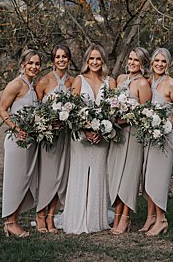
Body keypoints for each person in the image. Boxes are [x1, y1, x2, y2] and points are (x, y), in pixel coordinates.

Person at [64, 44, 116, 234]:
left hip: (102, 138)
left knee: (98, 175)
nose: (94, 62)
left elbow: (113, 111)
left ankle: (95, 219)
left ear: (103, 60)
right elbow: (71, 110)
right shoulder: (78, 80)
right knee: (79, 174)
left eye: (98, 58)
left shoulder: (110, 82)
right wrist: (86, 130)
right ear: (86, 60)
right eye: (91, 59)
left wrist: (101, 131)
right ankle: (77, 218)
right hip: (81, 138)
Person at [140, 47, 173, 236]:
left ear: (168, 64)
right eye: (156, 61)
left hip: (164, 137)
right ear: (151, 63)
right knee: (148, 178)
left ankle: (162, 220)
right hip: (149, 137)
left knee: (159, 179)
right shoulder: (148, 83)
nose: (159, 64)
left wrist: (166, 127)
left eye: (163, 61)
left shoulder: (172, 84)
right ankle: (151, 217)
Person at [107, 47, 152, 234]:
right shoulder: (120, 80)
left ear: (143, 63)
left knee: (129, 176)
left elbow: (144, 113)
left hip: (133, 135)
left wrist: (125, 119)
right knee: (116, 173)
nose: (132, 62)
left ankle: (125, 218)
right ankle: (116, 216)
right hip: (117, 134)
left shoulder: (143, 84)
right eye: (131, 59)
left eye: (137, 60)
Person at [0, 49, 42, 237]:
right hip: (17, 141)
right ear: (22, 64)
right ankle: (10, 222)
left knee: (25, 181)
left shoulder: (33, 86)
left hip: (29, 142)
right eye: (30, 63)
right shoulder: (15, 84)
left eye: (37, 63)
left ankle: (13, 219)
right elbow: (2, 110)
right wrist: (17, 129)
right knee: (14, 181)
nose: (34, 66)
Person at [36, 44, 75, 234]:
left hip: (65, 138)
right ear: (53, 60)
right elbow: (35, 112)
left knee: (60, 177)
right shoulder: (43, 81)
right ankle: (40, 214)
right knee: (47, 177)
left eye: (65, 57)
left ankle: (51, 216)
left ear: (69, 59)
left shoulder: (73, 82)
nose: (61, 60)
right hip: (48, 138)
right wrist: (46, 124)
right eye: (58, 57)